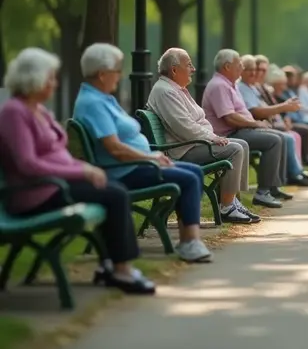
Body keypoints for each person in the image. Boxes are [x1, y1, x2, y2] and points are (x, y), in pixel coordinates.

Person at [0, 48, 157, 294]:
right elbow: (27, 164)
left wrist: (85, 167)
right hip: (35, 194)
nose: (55, 83)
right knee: (114, 194)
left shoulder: (38, 110)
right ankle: (122, 270)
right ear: (34, 78)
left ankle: (110, 264)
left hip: (53, 186)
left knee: (111, 191)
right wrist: (82, 172)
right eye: (51, 77)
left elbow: (59, 154)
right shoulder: (14, 112)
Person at [72, 43, 212, 263]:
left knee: (194, 172)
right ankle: (190, 242)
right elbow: (114, 148)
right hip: (124, 171)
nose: (119, 76)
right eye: (116, 71)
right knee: (189, 178)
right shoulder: (93, 104)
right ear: (101, 74)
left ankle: (189, 240)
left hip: (137, 165)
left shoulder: (102, 98)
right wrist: (150, 157)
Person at [146, 48, 259, 224]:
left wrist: (210, 137)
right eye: (189, 65)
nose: (193, 69)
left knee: (242, 144)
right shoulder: (166, 91)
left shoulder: (176, 88)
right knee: (235, 149)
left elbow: (190, 124)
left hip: (192, 143)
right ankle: (227, 207)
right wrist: (212, 138)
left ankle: (233, 201)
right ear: (174, 70)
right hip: (183, 150)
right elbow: (184, 127)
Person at [202, 49, 288, 208]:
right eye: (239, 64)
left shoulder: (230, 84)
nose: (242, 67)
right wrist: (256, 123)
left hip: (240, 130)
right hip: (230, 133)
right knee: (274, 140)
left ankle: (272, 189)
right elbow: (230, 117)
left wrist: (257, 124)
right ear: (227, 67)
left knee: (281, 136)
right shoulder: (219, 85)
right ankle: (263, 193)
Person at [235, 55, 308, 187]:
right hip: (247, 128)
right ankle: (278, 183)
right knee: (285, 137)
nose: (255, 73)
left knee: (291, 135)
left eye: (260, 70)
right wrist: (283, 109)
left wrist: (283, 115)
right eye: (251, 69)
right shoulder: (241, 87)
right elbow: (255, 112)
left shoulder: (254, 87)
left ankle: (289, 176)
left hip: (258, 125)